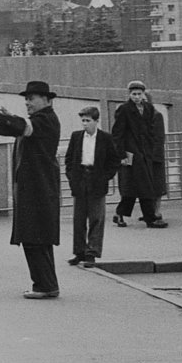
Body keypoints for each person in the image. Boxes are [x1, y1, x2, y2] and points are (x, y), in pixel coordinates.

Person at [0, 81, 62, 299]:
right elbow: (21, 127)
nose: (28, 102)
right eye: (26, 99)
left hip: (39, 189)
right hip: (37, 188)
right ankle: (46, 284)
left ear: (46, 100)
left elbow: (24, 127)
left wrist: (0, 118)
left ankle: (44, 286)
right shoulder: (42, 119)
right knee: (37, 238)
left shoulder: (46, 119)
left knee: (35, 237)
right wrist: (8, 118)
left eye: (32, 98)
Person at [64, 106, 121, 267]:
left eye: (88, 121)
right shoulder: (76, 137)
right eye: (83, 121)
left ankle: (92, 252)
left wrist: (105, 177)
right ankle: (79, 251)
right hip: (80, 177)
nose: (85, 124)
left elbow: (114, 161)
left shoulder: (105, 138)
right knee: (79, 218)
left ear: (96, 121)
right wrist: (71, 176)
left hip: (97, 178)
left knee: (96, 217)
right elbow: (69, 158)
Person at [111, 81, 168, 228]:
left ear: (143, 94)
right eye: (134, 94)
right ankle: (150, 218)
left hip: (145, 153)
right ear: (129, 94)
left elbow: (150, 130)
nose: (136, 97)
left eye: (139, 94)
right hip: (132, 153)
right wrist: (122, 154)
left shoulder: (148, 108)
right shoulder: (123, 110)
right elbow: (117, 133)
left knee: (136, 186)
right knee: (141, 186)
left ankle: (120, 214)